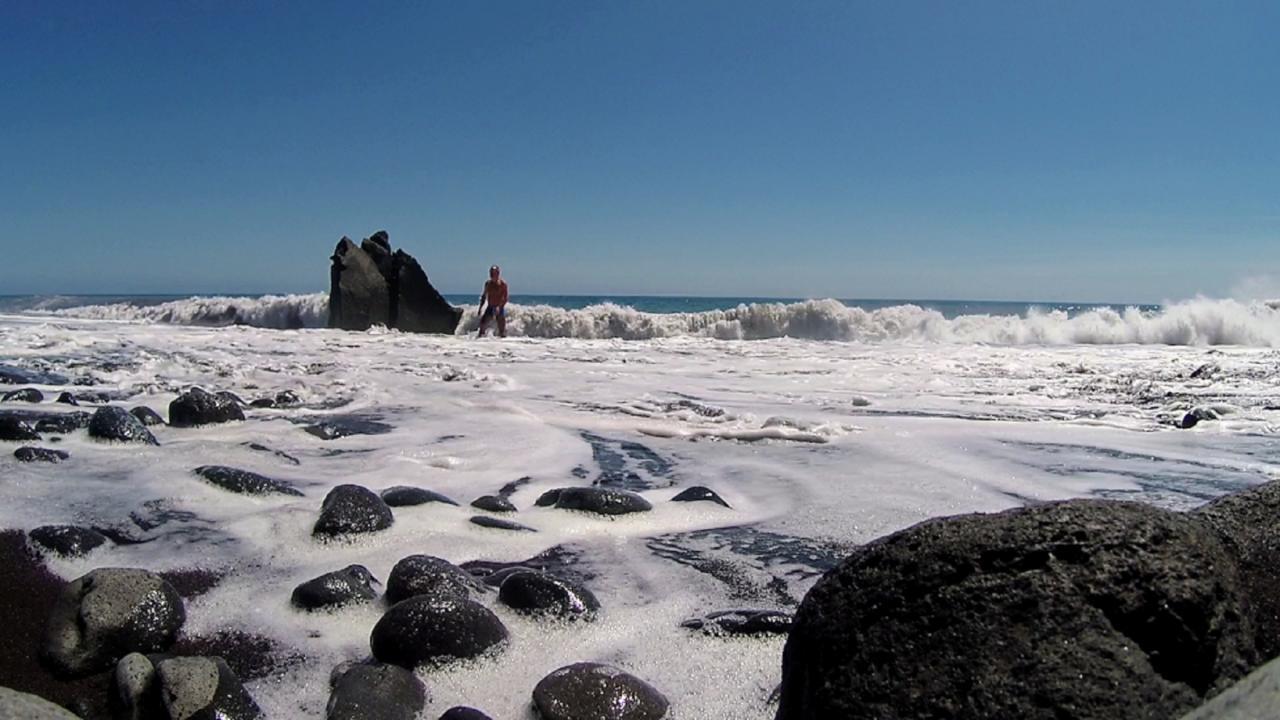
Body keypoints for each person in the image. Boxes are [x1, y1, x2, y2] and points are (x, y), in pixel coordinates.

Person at [477, 265, 509, 337]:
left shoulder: (503, 284)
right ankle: (480, 342)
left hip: (500, 308)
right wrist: (480, 308)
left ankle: (503, 343)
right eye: (491, 273)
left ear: (498, 273)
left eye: (494, 273)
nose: (492, 275)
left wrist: (499, 306)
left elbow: (505, 298)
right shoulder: (488, 284)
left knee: (501, 330)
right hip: (490, 307)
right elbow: (484, 296)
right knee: (482, 325)